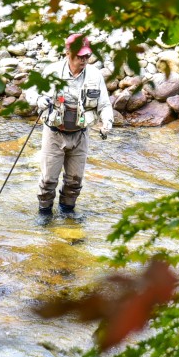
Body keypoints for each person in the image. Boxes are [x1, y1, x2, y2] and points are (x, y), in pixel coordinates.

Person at [25, 33, 114, 218]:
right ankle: (44, 214)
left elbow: (104, 105)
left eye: (87, 56)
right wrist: (39, 99)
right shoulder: (52, 71)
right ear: (67, 53)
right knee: (48, 180)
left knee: (75, 181)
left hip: (80, 135)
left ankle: (67, 214)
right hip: (54, 134)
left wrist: (107, 121)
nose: (84, 59)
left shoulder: (95, 75)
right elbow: (30, 92)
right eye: (80, 56)